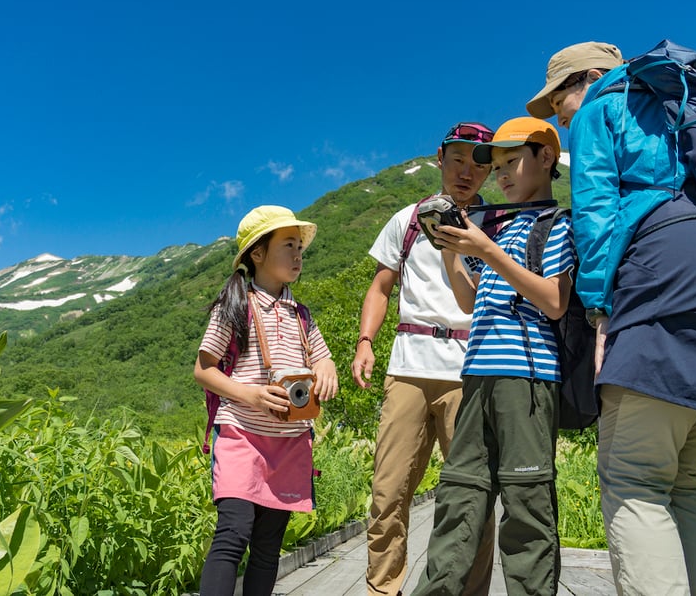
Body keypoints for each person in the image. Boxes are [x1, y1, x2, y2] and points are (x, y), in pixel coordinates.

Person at [527, 42, 696, 595]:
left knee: (634, 480)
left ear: (584, 79)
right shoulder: (686, 103)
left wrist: (599, 310)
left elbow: (597, 214)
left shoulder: (605, 104)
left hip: (673, 282)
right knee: (678, 481)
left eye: (561, 109)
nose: (566, 121)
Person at [412, 117, 574, 596]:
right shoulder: (495, 227)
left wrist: (486, 247)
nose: (500, 174)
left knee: (527, 505)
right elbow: (470, 300)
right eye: (496, 166)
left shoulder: (556, 223)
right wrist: (449, 251)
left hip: (526, 378)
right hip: (477, 373)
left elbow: (554, 300)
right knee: (459, 496)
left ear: (545, 159)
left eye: (510, 161)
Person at [353, 122, 498, 596]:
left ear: (490, 169)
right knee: (389, 489)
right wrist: (364, 342)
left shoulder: (495, 223)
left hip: (471, 368)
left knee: (471, 495)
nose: (465, 172)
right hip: (408, 367)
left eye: (478, 163)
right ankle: (383, 587)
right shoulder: (408, 219)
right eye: (457, 159)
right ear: (440, 158)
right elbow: (381, 286)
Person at [194, 205, 339, 596]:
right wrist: (253, 395)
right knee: (233, 532)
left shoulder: (301, 315)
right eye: (288, 245)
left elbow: (322, 357)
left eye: (300, 248)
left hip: (291, 442)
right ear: (257, 254)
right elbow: (203, 369)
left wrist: (328, 369)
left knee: (268, 545)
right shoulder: (235, 305)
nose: (298, 255)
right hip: (241, 434)